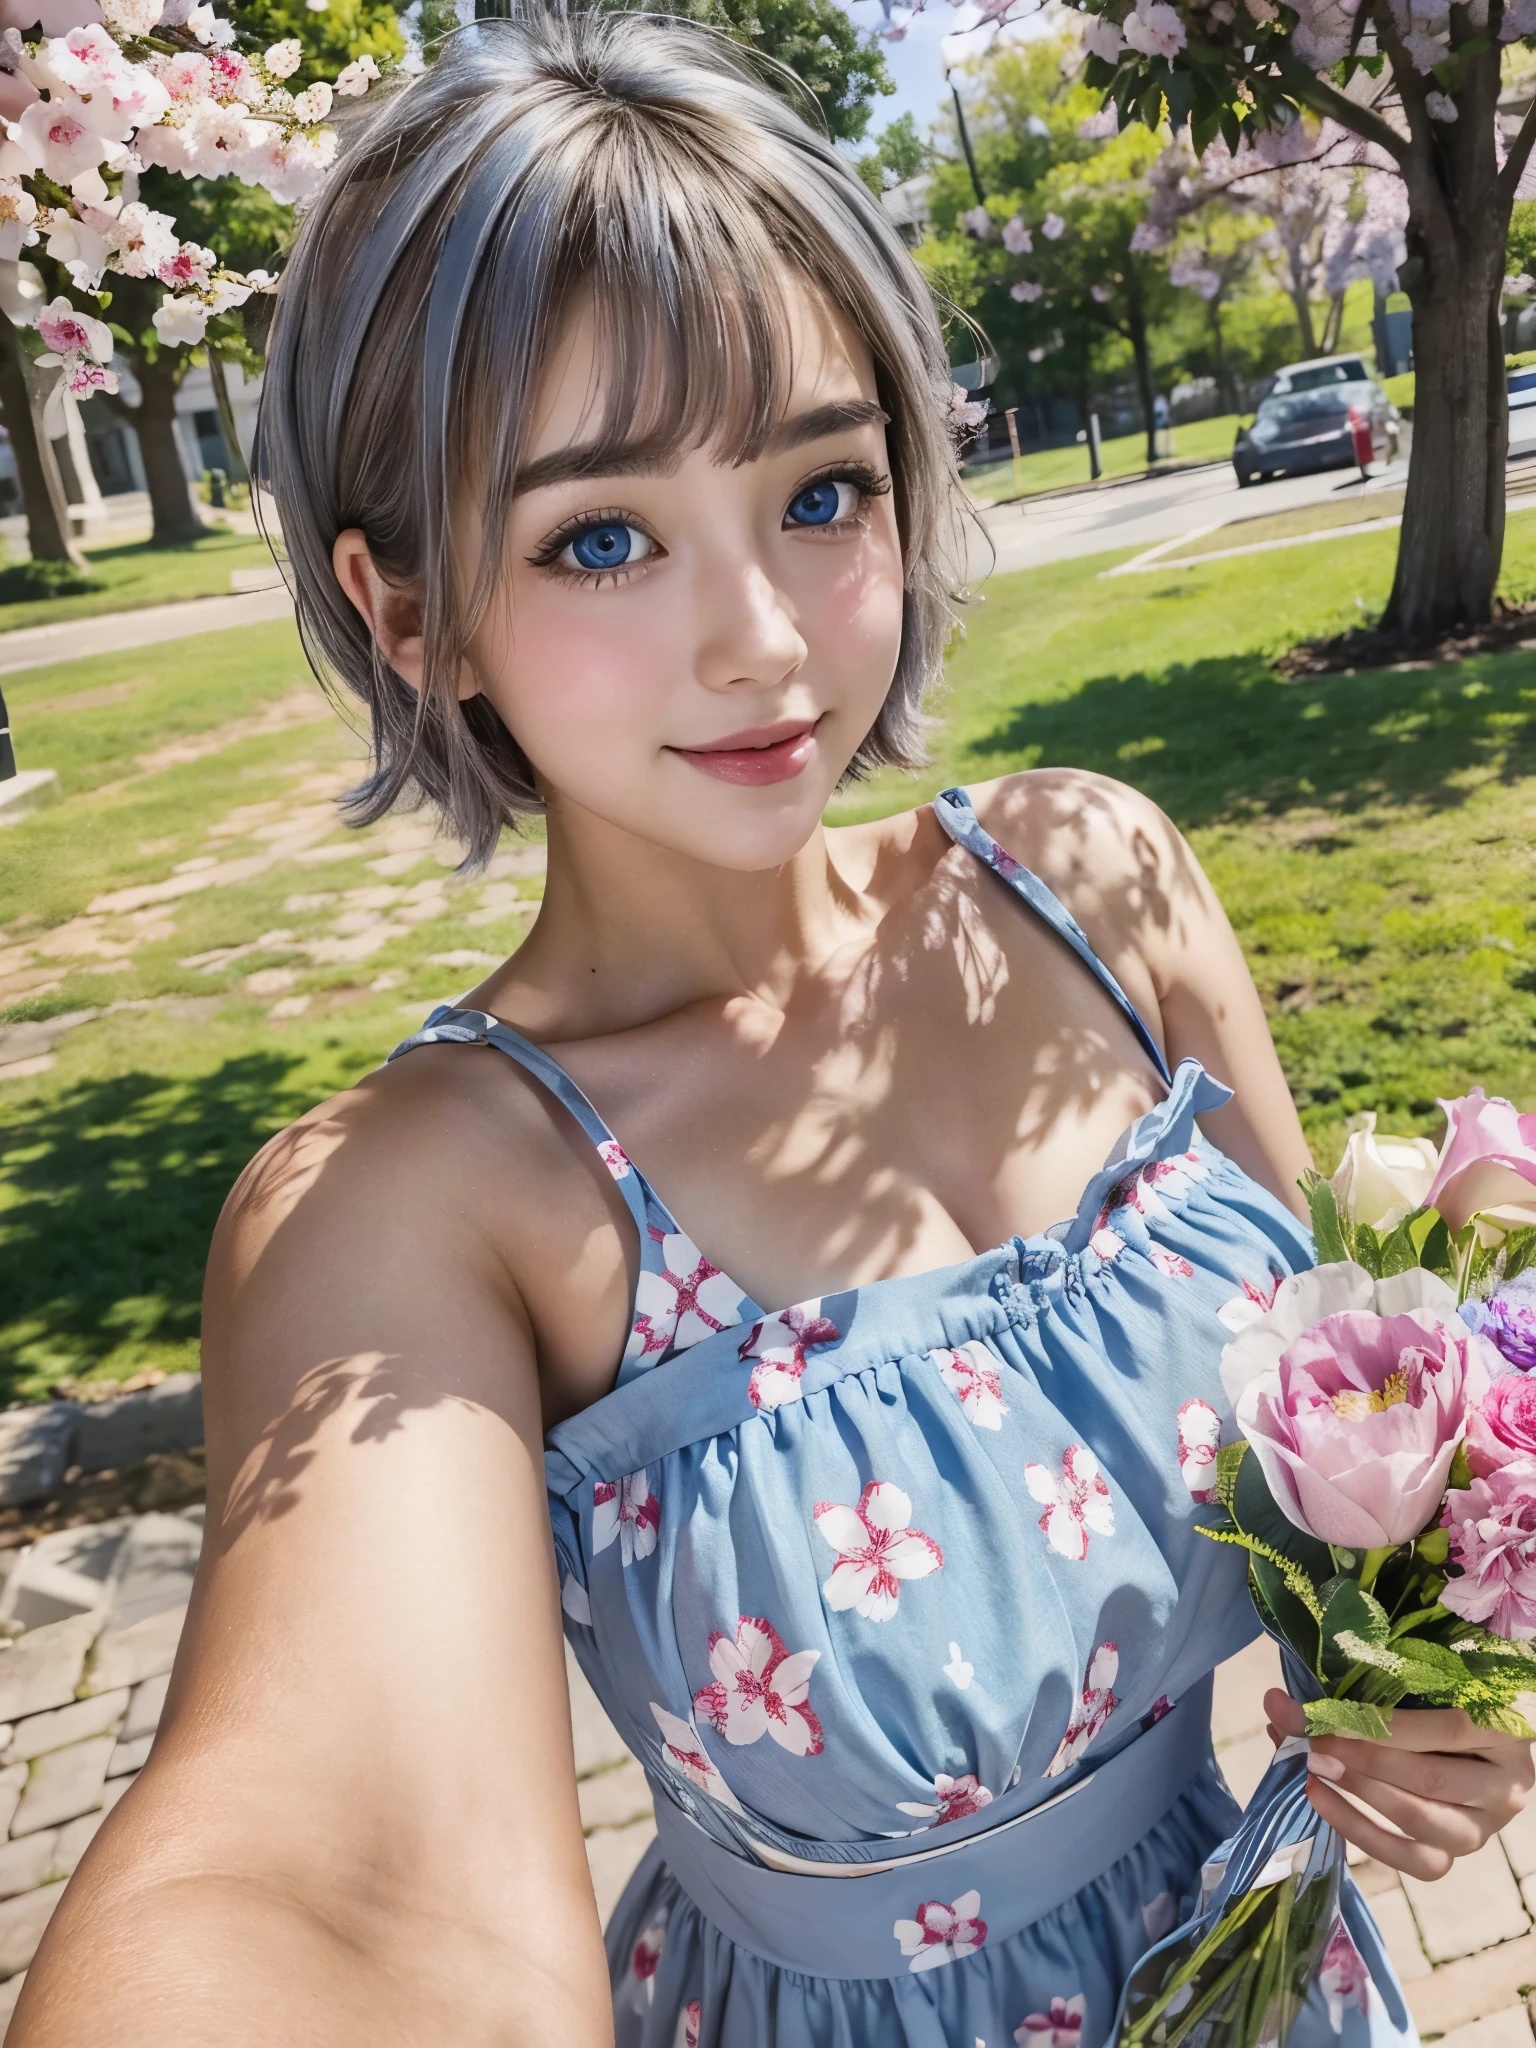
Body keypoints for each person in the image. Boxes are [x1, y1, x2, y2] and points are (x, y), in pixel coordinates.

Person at [12, 13, 1530, 2046]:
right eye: (603, 537)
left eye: (823, 488)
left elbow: (1346, 1414)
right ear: (412, 617)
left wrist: (1423, 1669)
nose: (760, 633)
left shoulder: (1093, 885)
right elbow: (336, 1876)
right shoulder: (420, 1205)